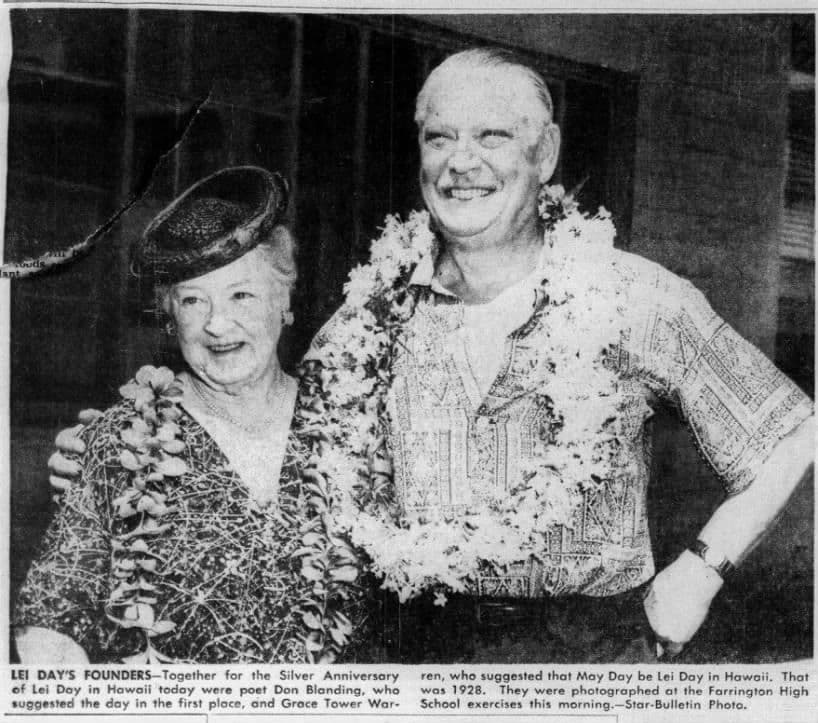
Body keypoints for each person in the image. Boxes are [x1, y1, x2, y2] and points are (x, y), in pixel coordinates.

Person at [47, 49, 814, 664]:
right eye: (439, 137)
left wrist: (701, 570)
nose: (460, 163)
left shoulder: (635, 296)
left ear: (544, 153)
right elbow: (282, 425)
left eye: (492, 137)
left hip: (589, 650)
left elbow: (790, 428)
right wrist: (130, 446)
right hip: (414, 644)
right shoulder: (370, 316)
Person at [15, 166, 361, 664]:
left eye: (242, 294)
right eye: (194, 300)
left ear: (284, 299)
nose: (217, 324)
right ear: (170, 316)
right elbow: (53, 616)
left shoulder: (351, 424)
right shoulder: (122, 440)